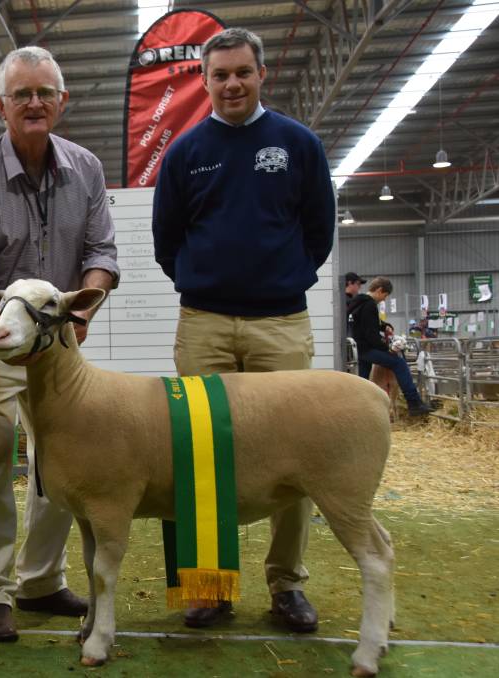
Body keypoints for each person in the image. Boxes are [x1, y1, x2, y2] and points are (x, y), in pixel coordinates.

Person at [151, 27, 336, 632]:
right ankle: (209, 587)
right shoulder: (184, 153)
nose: (232, 84)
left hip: (282, 325)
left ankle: (285, 586)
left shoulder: (298, 144)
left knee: (296, 457)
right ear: (203, 82)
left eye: (242, 73)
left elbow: (318, 230)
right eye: (220, 75)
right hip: (203, 325)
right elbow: (167, 240)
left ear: (262, 75)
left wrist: (284, 279)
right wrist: (202, 281)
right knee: (199, 456)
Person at [0, 45, 119, 642]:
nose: (34, 102)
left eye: (45, 91)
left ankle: (42, 581)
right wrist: (7, 330)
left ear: (62, 101)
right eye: (21, 93)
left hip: (60, 343)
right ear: (1, 105)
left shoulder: (88, 169)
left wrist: (85, 306)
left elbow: (100, 253)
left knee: (58, 465)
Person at [351, 277, 432, 416]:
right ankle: (414, 403)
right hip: (368, 348)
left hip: (361, 348)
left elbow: (367, 323)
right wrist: (387, 348)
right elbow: (371, 334)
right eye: (385, 295)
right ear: (379, 290)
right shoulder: (370, 305)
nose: (384, 300)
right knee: (399, 363)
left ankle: (359, 410)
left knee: (363, 380)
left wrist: (384, 325)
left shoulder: (358, 302)